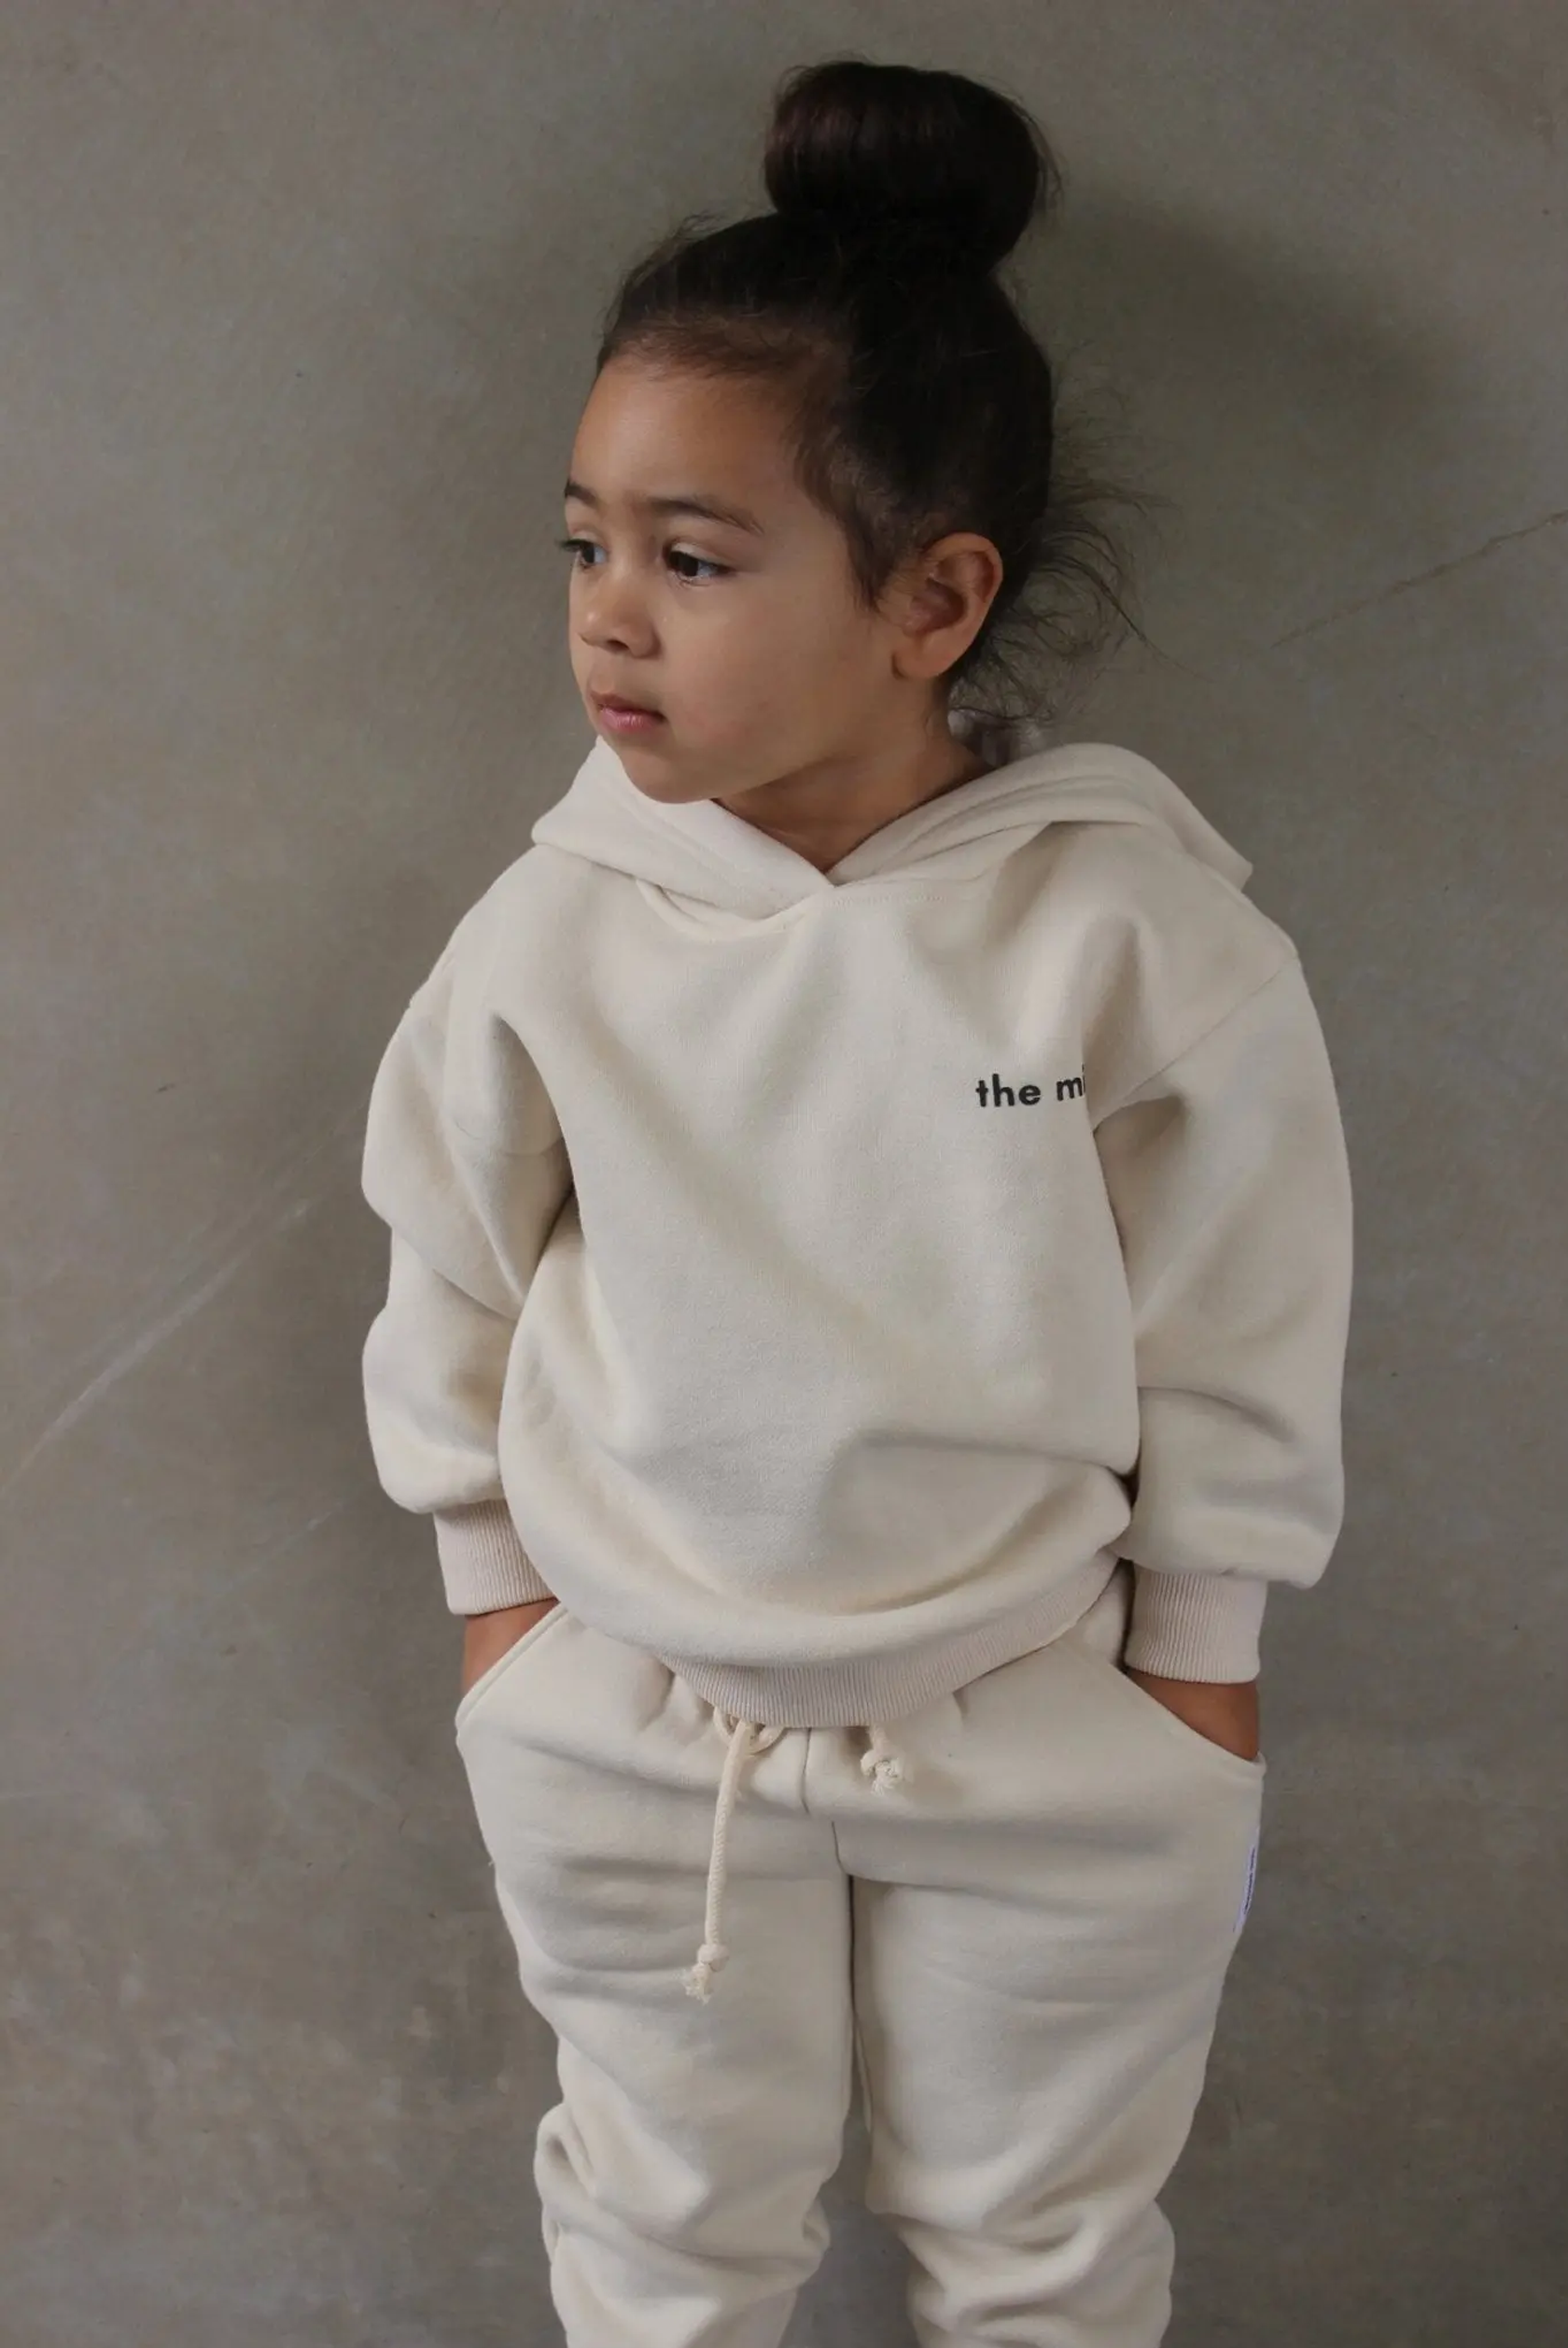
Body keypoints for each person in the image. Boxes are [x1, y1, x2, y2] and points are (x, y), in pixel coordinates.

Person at [357, 54, 1353, 2348]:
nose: (612, 618)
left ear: (933, 599)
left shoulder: (1131, 937)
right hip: (630, 1726)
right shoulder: (555, 930)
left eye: (694, 559)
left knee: (1047, 2262)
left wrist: (1196, 1672)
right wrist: (505, 1614)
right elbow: (450, 1264)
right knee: (662, 2249)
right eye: (588, 545)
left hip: (1049, 1719)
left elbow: (1241, 1314)